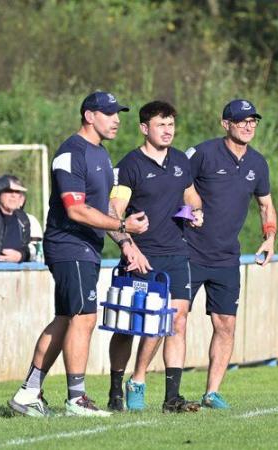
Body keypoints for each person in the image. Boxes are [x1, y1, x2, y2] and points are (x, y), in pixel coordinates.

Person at [8, 91, 149, 417]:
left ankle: (28, 393)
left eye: (118, 114)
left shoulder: (100, 155)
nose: (116, 120)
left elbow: (106, 209)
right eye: (110, 113)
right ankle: (77, 398)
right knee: (84, 318)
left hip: (86, 248)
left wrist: (126, 241)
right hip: (69, 246)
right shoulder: (70, 153)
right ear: (89, 115)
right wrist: (123, 223)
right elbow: (75, 209)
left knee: (66, 319)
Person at [106, 101, 203, 413]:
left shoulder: (179, 161)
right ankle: (116, 389)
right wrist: (127, 245)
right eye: (161, 125)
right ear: (144, 128)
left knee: (176, 319)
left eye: (171, 124)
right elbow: (113, 213)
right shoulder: (130, 165)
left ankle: (171, 396)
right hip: (141, 257)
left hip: (176, 253)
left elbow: (190, 196)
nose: (168, 130)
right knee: (129, 325)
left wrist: (194, 212)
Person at [185, 99, 276, 409]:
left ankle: (211, 392)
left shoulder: (258, 163)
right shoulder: (202, 153)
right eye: (241, 121)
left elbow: (266, 204)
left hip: (226, 258)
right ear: (226, 124)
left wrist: (270, 237)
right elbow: (175, 186)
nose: (249, 126)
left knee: (226, 325)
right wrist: (190, 209)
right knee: (174, 320)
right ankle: (156, 386)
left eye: (253, 121)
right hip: (189, 251)